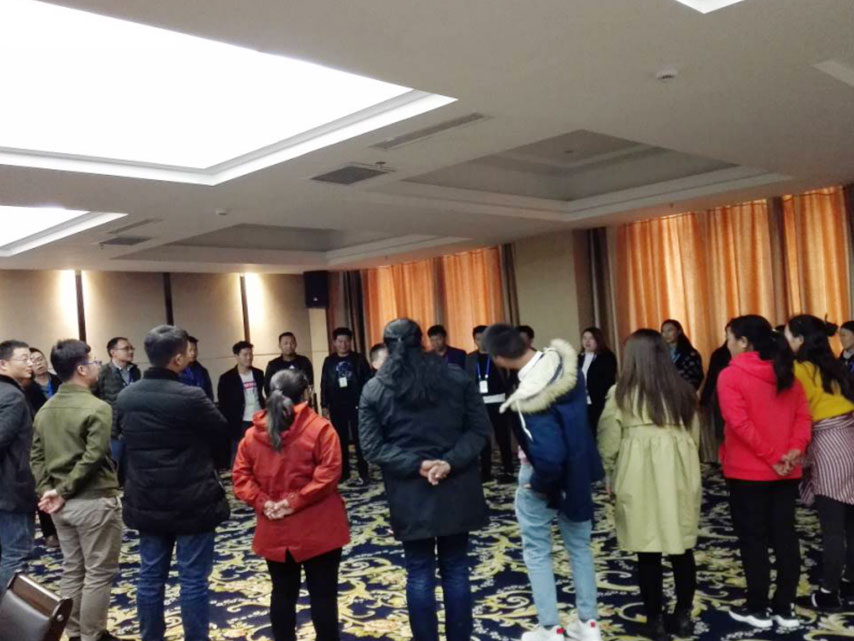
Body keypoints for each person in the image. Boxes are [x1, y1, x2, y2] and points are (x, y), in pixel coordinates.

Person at [359, 319, 490, 641]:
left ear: (386, 346)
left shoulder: (376, 388)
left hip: (409, 492)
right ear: (422, 341)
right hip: (456, 485)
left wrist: (417, 465)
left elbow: (371, 447)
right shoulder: (455, 376)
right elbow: (479, 431)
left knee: (419, 571)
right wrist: (448, 462)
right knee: (456, 568)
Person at [483, 324, 604, 641]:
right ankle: (589, 624)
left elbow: (549, 456)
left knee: (537, 550)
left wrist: (536, 484)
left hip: (542, 474)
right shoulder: (564, 365)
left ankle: (550, 628)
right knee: (580, 547)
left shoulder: (529, 394)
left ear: (498, 358)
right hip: (578, 470)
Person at [117, 325, 230, 641]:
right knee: (193, 580)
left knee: (150, 577)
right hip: (192, 500)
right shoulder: (191, 397)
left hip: (147, 499)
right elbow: (222, 433)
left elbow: (124, 438)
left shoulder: (127, 397)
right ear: (178, 359)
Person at [597, 329, 701, 641]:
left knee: (648, 550)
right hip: (680, 473)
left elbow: (608, 440)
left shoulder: (621, 394)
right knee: (682, 547)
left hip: (638, 475)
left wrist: (609, 472)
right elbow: (694, 438)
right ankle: (683, 616)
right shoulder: (684, 392)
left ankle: (655, 620)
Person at [233, 369, 349, 641]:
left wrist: (265, 503)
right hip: (319, 526)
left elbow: (240, 478)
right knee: (323, 596)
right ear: (306, 393)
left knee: (282, 594)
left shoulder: (251, 436)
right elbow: (329, 475)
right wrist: (293, 501)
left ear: (266, 395)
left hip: (276, 527)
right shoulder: (320, 429)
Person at [717, 315, 811, 630]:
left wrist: (772, 457)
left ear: (744, 342)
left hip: (748, 471)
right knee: (785, 536)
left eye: (730, 338)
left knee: (753, 539)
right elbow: (803, 418)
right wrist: (793, 452)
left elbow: (739, 424)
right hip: (786, 471)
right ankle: (785, 607)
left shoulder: (731, 375)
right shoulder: (787, 373)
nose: (727, 344)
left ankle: (757, 607)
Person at [31, 339, 124, 641]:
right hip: (93, 500)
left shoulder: (45, 409)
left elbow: (36, 457)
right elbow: (93, 457)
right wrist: (64, 490)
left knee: (73, 568)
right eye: (94, 362)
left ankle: (74, 633)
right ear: (82, 369)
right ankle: (92, 635)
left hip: (59, 506)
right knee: (98, 571)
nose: (97, 366)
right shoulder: (97, 407)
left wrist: (49, 491)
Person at [785, 315, 854, 609]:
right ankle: (850, 581)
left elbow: (795, 414)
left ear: (800, 340)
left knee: (832, 526)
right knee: (850, 522)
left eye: (787, 337)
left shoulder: (799, 370)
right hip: (849, 437)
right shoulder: (834, 366)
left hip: (828, 446)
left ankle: (828, 592)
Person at [0, 339, 36, 599]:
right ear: (3, 364)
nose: (30, 363)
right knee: (15, 555)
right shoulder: (12, 396)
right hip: (11, 487)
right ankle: (9, 614)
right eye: (24, 359)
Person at [320, 328, 372, 485]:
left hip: (357, 404)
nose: (343, 344)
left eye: (346, 341)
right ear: (334, 343)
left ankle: (363, 471)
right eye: (340, 341)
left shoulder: (359, 359)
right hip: (336, 405)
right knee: (339, 440)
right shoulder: (329, 361)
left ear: (351, 342)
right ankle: (344, 472)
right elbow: (324, 383)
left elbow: (368, 380)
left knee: (359, 439)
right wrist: (324, 405)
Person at [24, 346, 62, 548]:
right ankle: (50, 532)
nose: (38, 363)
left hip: (63, 436)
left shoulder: (59, 381)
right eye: (33, 360)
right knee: (44, 484)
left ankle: (66, 527)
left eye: (40, 358)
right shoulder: (26, 388)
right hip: (39, 439)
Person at [466, 325, 514, 483]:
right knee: (483, 439)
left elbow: (509, 377)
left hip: (499, 401)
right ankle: (485, 471)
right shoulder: (470, 358)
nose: (482, 342)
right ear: (474, 340)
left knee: (502, 437)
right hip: (479, 403)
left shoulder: (499, 356)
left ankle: (508, 470)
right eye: (478, 339)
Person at [95, 337, 140, 478]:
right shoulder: (103, 372)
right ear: (113, 352)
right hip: (113, 429)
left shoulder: (135, 371)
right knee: (114, 469)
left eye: (131, 348)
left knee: (133, 470)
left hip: (133, 426)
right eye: (126, 348)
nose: (131, 351)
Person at [218, 340, 266, 463]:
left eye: (251, 354)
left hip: (259, 419)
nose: (249, 357)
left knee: (261, 453)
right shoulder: (227, 378)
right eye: (245, 354)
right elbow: (223, 404)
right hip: (240, 422)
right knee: (239, 455)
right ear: (236, 356)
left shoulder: (258, 373)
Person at [579, 327, 617, 439]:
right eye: (584, 338)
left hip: (599, 402)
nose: (587, 341)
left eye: (591, 338)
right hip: (582, 402)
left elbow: (607, 380)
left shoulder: (607, 358)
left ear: (598, 340)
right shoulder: (579, 358)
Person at [698, 336, 731, 463]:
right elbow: (711, 377)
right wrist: (704, 399)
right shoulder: (719, 354)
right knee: (723, 431)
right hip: (721, 397)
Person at [661, 320, 704, 390]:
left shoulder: (690, 354)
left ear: (679, 331)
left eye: (670, 330)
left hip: (683, 391)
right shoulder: (660, 353)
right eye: (663, 331)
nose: (666, 334)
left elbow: (695, 377)